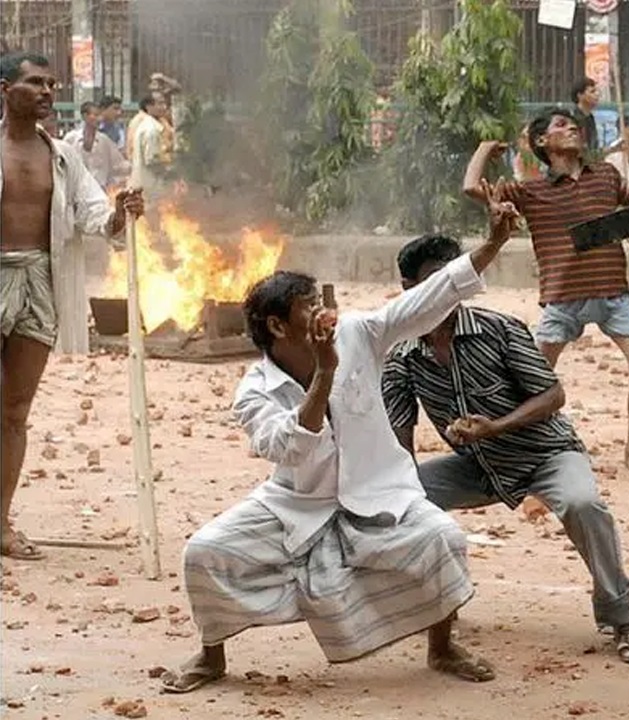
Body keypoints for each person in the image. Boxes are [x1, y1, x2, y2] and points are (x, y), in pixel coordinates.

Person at [158, 181, 520, 695]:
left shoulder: (359, 332)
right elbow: (289, 448)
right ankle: (211, 655)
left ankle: (442, 646)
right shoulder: (254, 390)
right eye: (309, 306)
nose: (324, 311)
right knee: (204, 551)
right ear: (278, 327)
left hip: (379, 492)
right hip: (297, 504)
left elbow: (428, 297)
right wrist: (325, 374)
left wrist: (493, 244)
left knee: (443, 538)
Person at [382, 234, 629, 664]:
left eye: (452, 279)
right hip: (478, 466)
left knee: (584, 505)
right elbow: (401, 437)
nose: (445, 291)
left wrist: (495, 427)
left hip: (546, 454)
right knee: (394, 504)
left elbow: (553, 395)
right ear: (408, 287)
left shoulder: (499, 329)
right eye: (435, 280)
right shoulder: (401, 357)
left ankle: (622, 619)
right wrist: (404, 491)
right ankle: (437, 608)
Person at [0, 52, 144, 561]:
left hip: (40, 283)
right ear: (5, 89)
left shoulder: (63, 157)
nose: (46, 91)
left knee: (14, 411)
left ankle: (1, 524)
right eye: (34, 82)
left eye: (51, 84)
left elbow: (95, 214)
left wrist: (120, 214)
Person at [463, 111, 629, 474]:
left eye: (572, 124)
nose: (571, 127)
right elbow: (472, 188)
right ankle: (510, 443)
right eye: (560, 125)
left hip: (613, 292)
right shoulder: (531, 191)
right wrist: (484, 149)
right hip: (562, 298)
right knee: (533, 379)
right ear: (541, 142)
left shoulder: (606, 175)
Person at [63, 101, 131, 191]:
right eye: (95, 115)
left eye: (99, 115)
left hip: (99, 190)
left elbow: (119, 164)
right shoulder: (71, 139)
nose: (99, 119)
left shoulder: (105, 141)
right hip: (76, 190)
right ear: (85, 116)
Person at [129, 95, 168, 198]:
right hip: (150, 187)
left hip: (143, 185)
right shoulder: (151, 130)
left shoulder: (147, 125)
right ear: (148, 107)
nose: (164, 107)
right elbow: (152, 160)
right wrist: (169, 170)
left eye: (165, 103)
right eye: (160, 103)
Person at [570, 77, 601, 154]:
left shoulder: (590, 117)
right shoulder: (574, 119)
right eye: (592, 92)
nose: (597, 94)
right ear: (580, 95)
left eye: (597, 91)